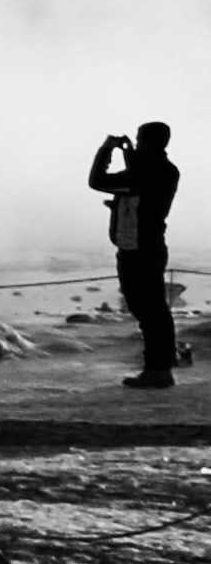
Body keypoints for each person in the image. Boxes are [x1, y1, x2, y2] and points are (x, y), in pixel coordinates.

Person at [94, 121, 179, 389]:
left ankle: (159, 369)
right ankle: (160, 365)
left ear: (148, 143)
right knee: (150, 310)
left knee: (150, 311)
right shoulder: (160, 170)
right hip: (142, 247)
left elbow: (97, 181)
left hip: (141, 249)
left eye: (140, 140)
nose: (137, 145)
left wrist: (106, 150)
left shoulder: (150, 172)